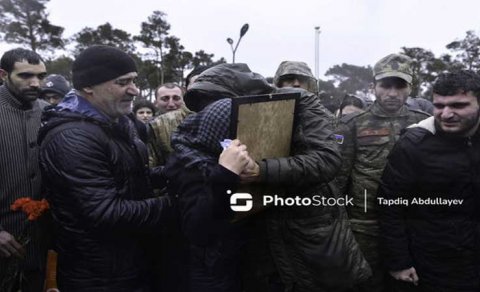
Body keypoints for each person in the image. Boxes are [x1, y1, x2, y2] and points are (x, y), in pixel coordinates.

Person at [171, 62, 370, 291]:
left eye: (218, 104)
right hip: (258, 235)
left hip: (311, 230)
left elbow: (327, 159)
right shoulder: (212, 125)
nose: (211, 113)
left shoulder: (301, 103)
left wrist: (262, 171)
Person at [38, 45, 173, 292]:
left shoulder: (117, 121)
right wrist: (179, 202)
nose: (134, 90)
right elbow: (105, 212)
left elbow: (128, 180)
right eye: (123, 82)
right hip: (100, 276)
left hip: (131, 262)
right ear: (89, 86)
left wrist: (175, 173)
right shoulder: (73, 138)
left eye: (134, 80)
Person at [335, 53, 430, 292]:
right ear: (373, 87)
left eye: (400, 86)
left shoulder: (426, 124)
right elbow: (337, 181)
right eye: (385, 85)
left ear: (410, 88)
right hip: (363, 227)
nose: (392, 92)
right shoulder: (351, 124)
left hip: (409, 226)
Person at [378, 70, 480, 292]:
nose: (446, 114)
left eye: (458, 105)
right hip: (435, 262)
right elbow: (390, 206)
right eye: (439, 105)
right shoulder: (413, 145)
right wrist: (399, 263)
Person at [0, 48, 49, 292]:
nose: (35, 83)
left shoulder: (48, 113)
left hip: (40, 247)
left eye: (41, 76)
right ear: (3, 75)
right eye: (25, 76)